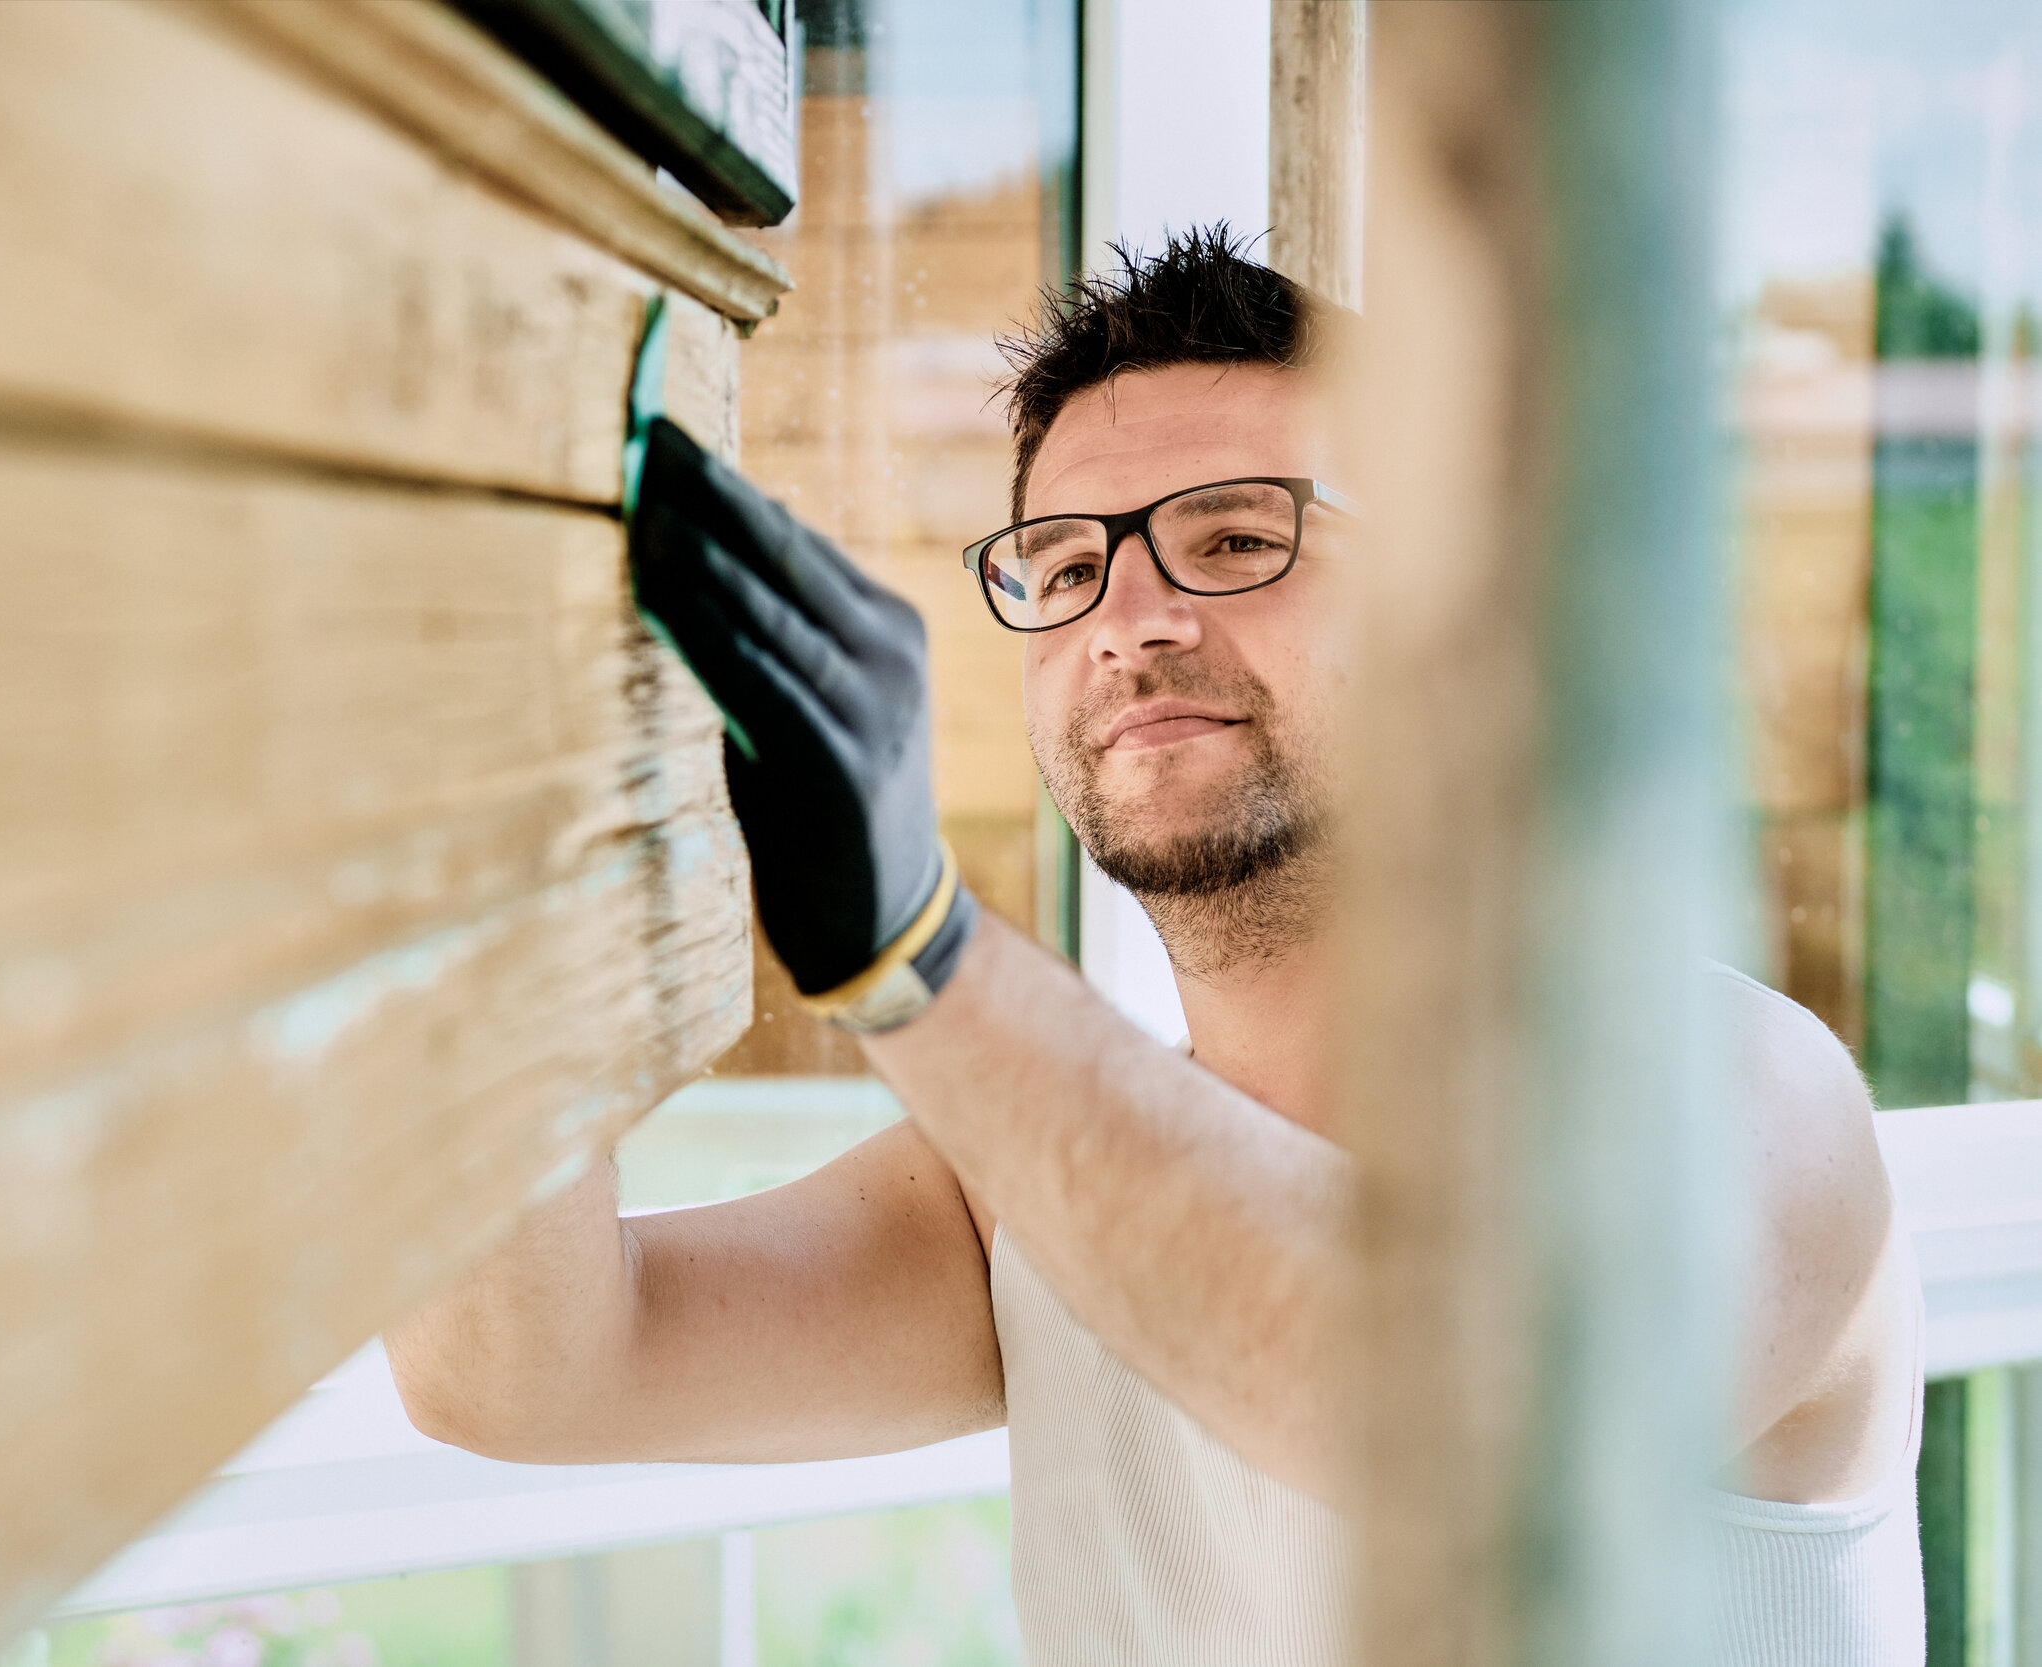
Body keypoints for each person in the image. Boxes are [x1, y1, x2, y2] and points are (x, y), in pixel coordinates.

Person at [385, 228, 1925, 1664]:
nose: (1130, 619)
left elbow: (1433, 1420)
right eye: (1065, 569)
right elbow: (519, 1372)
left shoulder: (1742, 1100)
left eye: (1239, 536)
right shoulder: (1025, 1206)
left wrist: (921, 952)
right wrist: (501, 810)